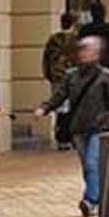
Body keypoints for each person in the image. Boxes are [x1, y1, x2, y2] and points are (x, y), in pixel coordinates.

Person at [35, 35, 109, 216]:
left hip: (99, 127)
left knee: (92, 163)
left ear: (97, 53)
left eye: (89, 50)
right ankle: (96, 199)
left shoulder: (106, 76)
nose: (85, 53)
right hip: (78, 128)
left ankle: (90, 200)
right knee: (87, 167)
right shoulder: (71, 76)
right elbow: (59, 96)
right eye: (83, 50)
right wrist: (44, 108)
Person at [41, 12, 82, 150]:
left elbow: (46, 59)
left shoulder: (53, 39)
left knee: (59, 107)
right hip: (73, 78)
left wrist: (48, 74)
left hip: (57, 77)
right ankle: (70, 137)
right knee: (72, 107)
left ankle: (60, 137)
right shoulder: (76, 40)